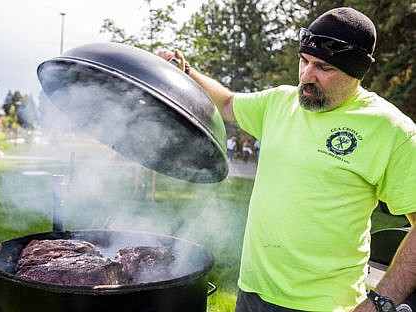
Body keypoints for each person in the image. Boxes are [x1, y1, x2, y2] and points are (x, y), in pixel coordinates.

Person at [159, 7, 416, 312]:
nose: (306, 76)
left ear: (356, 72)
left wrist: (379, 302)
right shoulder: (279, 102)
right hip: (252, 292)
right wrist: (186, 73)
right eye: (304, 61)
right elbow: (227, 102)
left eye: (323, 67)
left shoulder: (392, 130)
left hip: (323, 306)